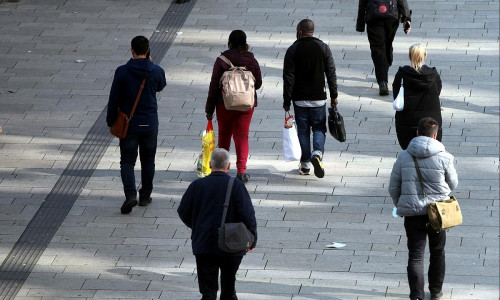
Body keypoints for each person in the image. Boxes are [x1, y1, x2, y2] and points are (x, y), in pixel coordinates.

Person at [388, 117, 458, 300]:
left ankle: (417, 296)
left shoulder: (403, 156)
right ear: (435, 135)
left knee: (416, 255)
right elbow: (453, 183)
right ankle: (435, 291)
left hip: (413, 215)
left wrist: (402, 205)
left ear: (417, 133)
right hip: (438, 213)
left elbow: (393, 187)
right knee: (437, 252)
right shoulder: (445, 157)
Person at [178, 148, 257, 300]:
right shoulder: (237, 186)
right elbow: (248, 215)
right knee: (228, 288)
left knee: (208, 291)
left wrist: (197, 226)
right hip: (232, 245)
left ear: (209, 164)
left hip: (204, 244)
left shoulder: (197, 186)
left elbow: (183, 211)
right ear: (229, 166)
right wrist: (253, 238)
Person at [106, 35, 166, 214]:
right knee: (148, 160)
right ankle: (145, 196)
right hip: (150, 123)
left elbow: (113, 99)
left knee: (127, 161)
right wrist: (151, 64)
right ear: (148, 51)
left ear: (131, 50)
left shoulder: (122, 71)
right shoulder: (156, 70)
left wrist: (110, 121)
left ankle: (130, 195)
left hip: (129, 124)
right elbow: (160, 86)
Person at [283, 19, 338, 178]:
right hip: (318, 97)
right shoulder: (323, 47)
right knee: (319, 128)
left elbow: (288, 77)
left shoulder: (293, 49)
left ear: (300, 31)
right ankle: (317, 154)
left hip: (299, 98)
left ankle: (305, 164)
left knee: (303, 130)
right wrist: (334, 95)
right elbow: (331, 73)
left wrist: (286, 100)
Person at [205, 30, 262, 184]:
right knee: (242, 137)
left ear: (229, 42)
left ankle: (220, 170)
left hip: (224, 104)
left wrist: (209, 109)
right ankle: (241, 172)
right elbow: (258, 83)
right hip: (246, 105)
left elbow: (214, 86)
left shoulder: (222, 60)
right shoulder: (251, 60)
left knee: (224, 136)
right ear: (245, 43)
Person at [393, 43, 443, 150]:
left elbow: (396, 94)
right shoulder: (433, 75)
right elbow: (437, 92)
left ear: (410, 56)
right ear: (424, 56)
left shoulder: (402, 75)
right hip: (431, 125)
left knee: (409, 152)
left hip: (407, 123)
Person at [356, 0, 411, 95]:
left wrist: (360, 23)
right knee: (387, 44)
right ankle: (386, 65)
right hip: (392, 15)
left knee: (378, 48)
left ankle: (382, 81)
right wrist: (406, 18)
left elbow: (362, 3)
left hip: (374, 15)